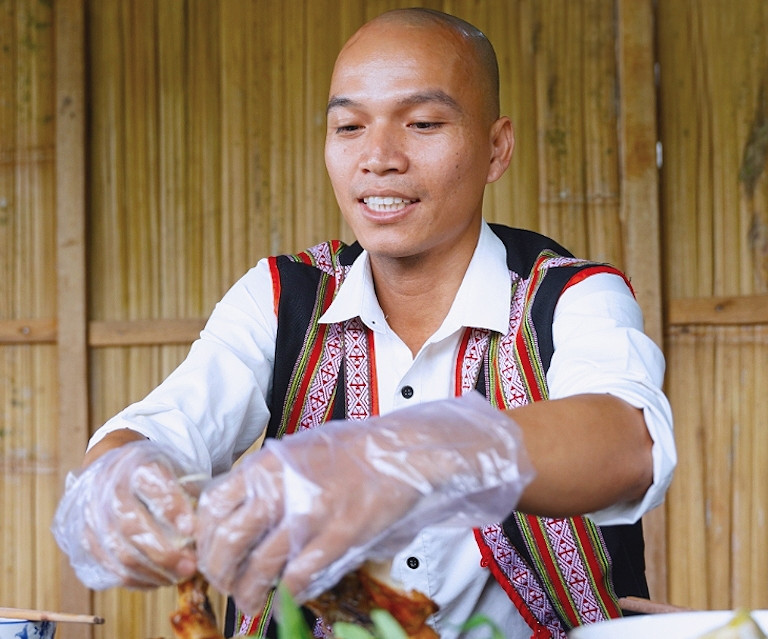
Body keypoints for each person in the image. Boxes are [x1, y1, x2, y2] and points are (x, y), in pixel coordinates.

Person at [53, 8, 675, 639]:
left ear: (496, 147)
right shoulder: (282, 297)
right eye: (349, 126)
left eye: (423, 123)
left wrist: (409, 456)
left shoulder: (569, 296)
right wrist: (119, 482)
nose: (378, 158)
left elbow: (627, 444)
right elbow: (166, 427)